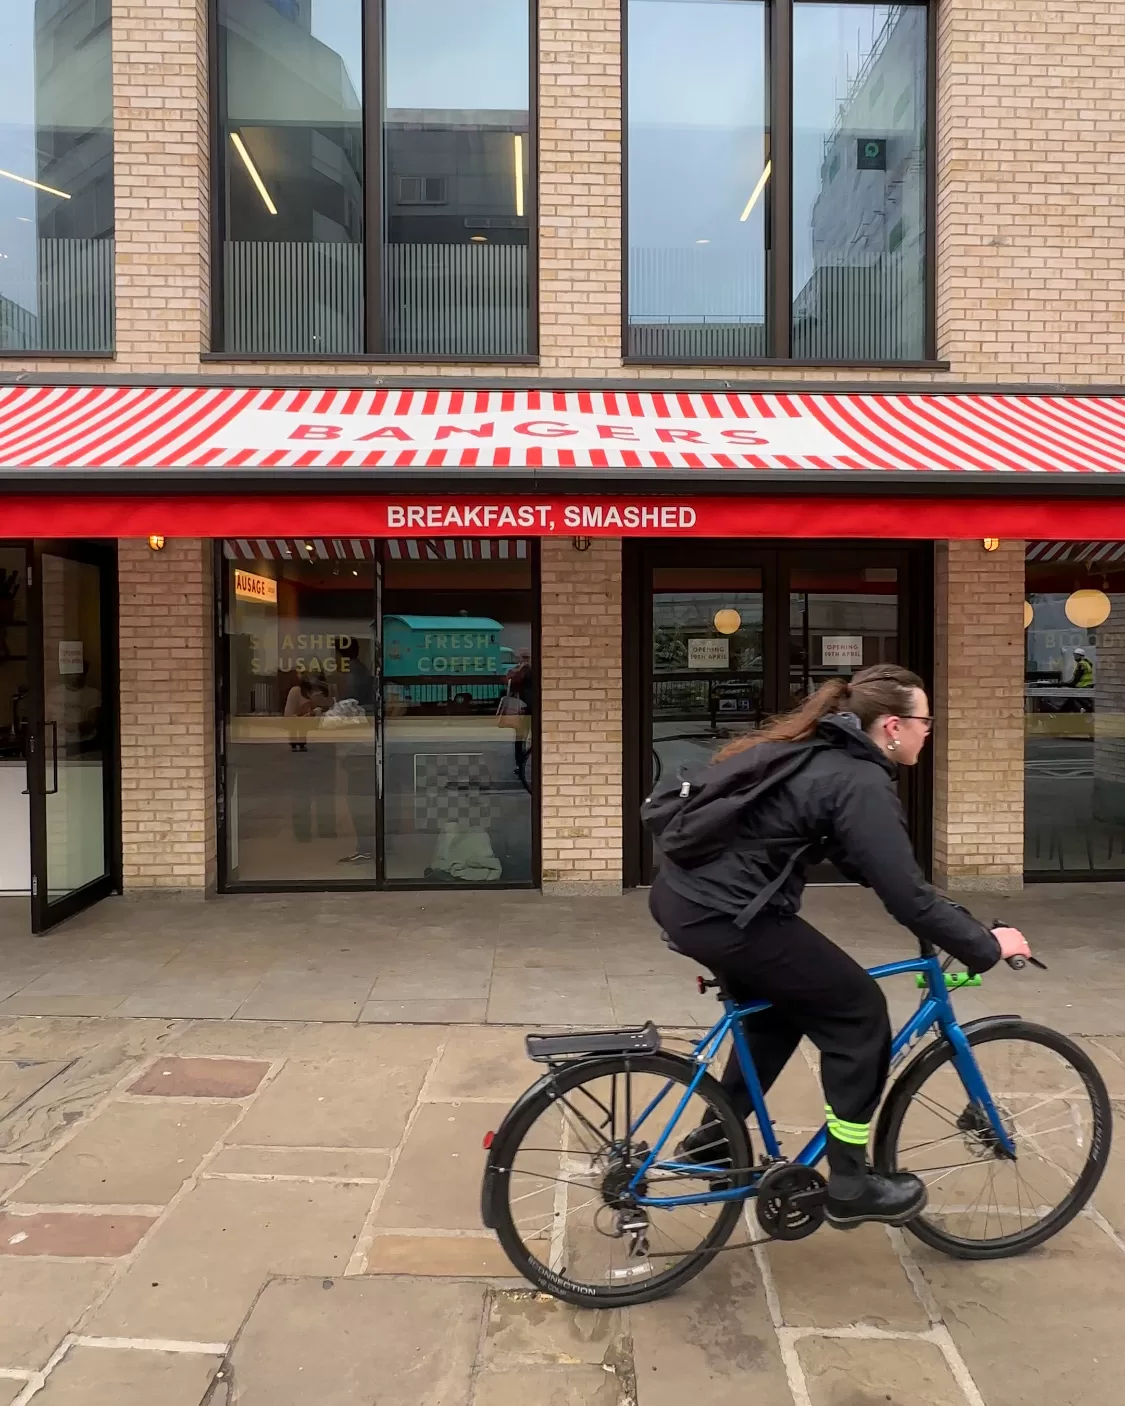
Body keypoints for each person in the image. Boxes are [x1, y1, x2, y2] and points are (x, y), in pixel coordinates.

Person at [646, 664, 1032, 1231]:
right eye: (927, 721)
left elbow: (874, 869)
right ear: (894, 726)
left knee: (777, 1014)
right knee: (858, 1013)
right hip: (726, 914)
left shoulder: (822, 753)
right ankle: (850, 1181)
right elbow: (903, 893)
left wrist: (949, 916)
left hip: (691, 901)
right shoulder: (859, 780)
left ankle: (713, 1140)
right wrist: (984, 945)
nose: (931, 731)